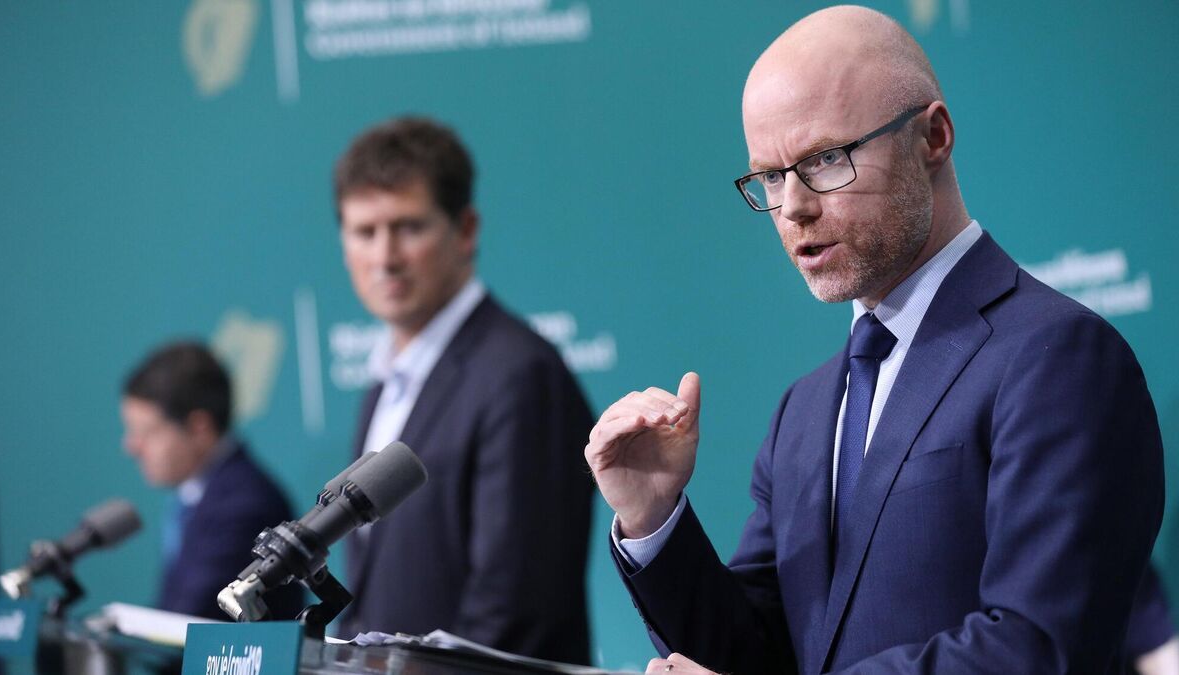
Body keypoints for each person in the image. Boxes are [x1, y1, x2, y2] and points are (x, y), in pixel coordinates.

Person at [584, 6, 1164, 674]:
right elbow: (754, 656)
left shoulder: (1059, 359)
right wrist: (654, 517)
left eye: (826, 159)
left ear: (933, 137)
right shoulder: (803, 412)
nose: (794, 207)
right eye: (771, 176)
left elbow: (1037, 647)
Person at [333, 116, 594, 664]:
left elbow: (513, 609)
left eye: (408, 227)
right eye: (364, 232)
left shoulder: (520, 374)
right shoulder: (384, 386)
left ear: (466, 229)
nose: (385, 258)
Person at [121, 341, 304, 620]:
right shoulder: (193, 496)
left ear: (199, 428)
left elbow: (191, 617)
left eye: (146, 432)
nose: (131, 447)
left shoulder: (245, 505)